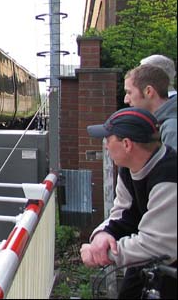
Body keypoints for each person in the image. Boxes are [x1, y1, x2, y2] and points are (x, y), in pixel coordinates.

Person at [80, 107, 177, 299]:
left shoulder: (169, 176)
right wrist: (102, 235)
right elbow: (123, 214)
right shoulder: (129, 168)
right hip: (152, 259)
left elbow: (159, 244)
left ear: (126, 144)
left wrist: (102, 253)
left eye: (109, 139)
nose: (105, 146)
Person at [124, 64, 177, 150]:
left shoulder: (172, 127)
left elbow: (170, 163)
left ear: (148, 91)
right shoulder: (162, 122)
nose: (126, 100)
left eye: (129, 92)